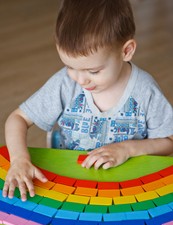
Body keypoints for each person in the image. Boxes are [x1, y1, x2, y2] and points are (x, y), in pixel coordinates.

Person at [3, 0, 173, 201]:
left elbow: (169, 142)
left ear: (126, 51)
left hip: (126, 188)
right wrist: (19, 160)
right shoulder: (65, 83)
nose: (80, 79)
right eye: (70, 66)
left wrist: (128, 148)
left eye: (93, 71)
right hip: (72, 183)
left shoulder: (146, 91)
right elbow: (17, 119)